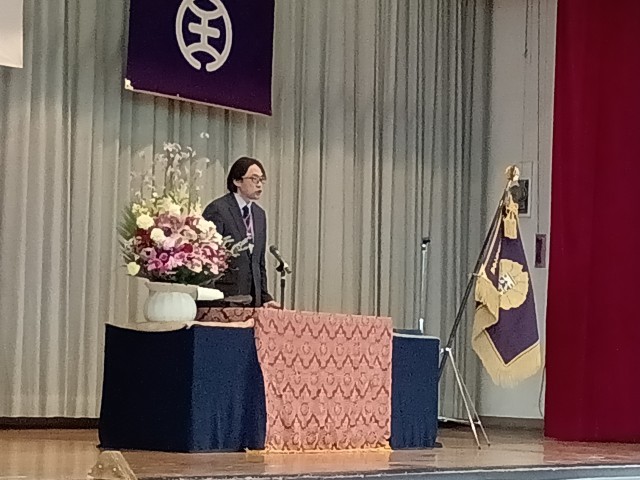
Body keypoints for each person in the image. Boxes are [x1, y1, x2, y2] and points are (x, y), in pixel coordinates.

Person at [203, 157, 280, 308]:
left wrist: (265, 297)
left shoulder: (259, 214)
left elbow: (259, 261)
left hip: (253, 300)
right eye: (254, 179)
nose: (259, 184)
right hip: (224, 298)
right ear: (237, 181)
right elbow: (208, 257)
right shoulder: (218, 209)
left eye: (261, 180)